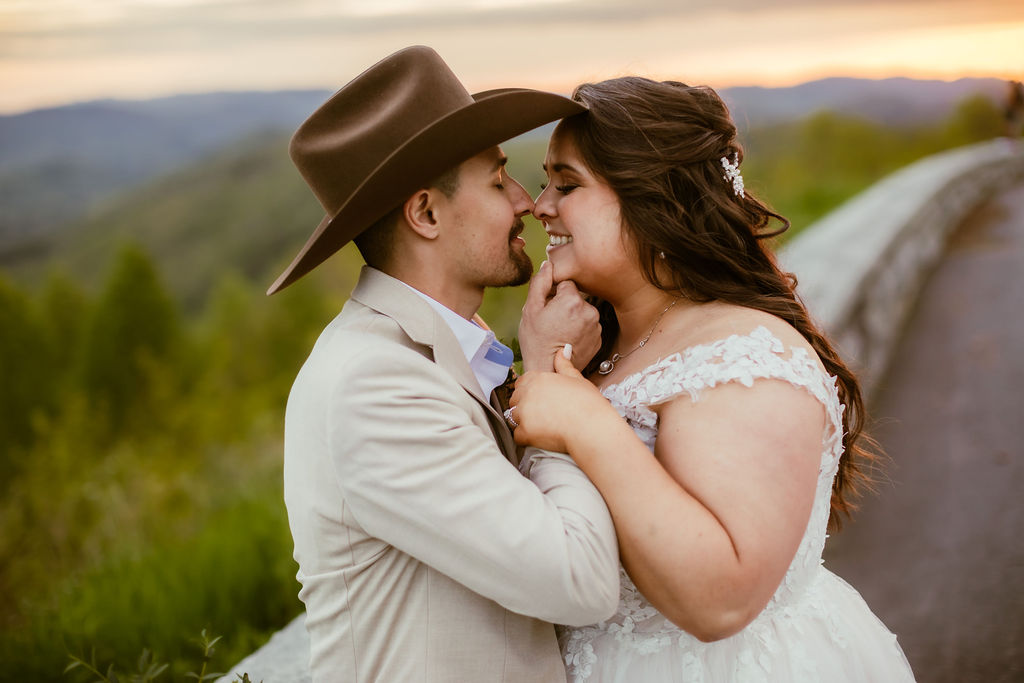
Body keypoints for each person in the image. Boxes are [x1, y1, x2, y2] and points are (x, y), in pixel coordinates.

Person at [505, 77, 917, 682]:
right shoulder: (597, 345)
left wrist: (587, 421)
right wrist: (545, 361)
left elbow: (720, 598)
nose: (540, 205)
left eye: (566, 184)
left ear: (655, 200)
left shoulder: (743, 357)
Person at [270, 46, 620, 682]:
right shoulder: (372, 384)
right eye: (497, 180)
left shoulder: (445, 345)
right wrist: (548, 379)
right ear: (426, 213)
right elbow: (579, 580)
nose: (524, 201)